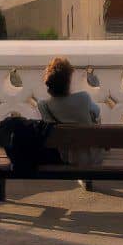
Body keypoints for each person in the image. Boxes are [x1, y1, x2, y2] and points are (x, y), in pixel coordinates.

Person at [38, 56, 101, 185]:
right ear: (68, 81)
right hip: (91, 154)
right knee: (95, 118)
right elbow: (97, 111)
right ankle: (86, 173)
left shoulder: (44, 105)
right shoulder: (83, 97)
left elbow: (49, 126)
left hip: (66, 156)